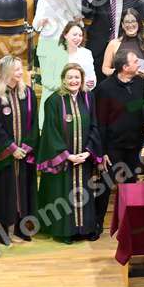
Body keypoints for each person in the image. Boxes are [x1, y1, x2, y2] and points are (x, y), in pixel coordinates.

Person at [37, 64, 103, 244]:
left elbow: (94, 126)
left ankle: (85, 229)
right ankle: (65, 231)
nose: (74, 81)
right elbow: (50, 132)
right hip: (64, 161)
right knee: (64, 194)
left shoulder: (88, 97)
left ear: (82, 79)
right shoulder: (53, 101)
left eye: (77, 77)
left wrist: (88, 152)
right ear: (63, 80)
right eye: (70, 77)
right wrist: (67, 155)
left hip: (84, 158)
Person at [0, 56, 40, 244]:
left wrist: (25, 147)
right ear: (7, 71)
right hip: (6, 156)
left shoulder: (28, 93)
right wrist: (12, 148)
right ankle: (4, 231)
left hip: (25, 154)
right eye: (16, 69)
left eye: (20, 68)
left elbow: (34, 123)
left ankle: (22, 228)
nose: (20, 72)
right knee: (5, 192)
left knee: (25, 191)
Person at [95, 50, 144, 230]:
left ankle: (127, 223)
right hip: (112, 148)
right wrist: (102, 152)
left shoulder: (140, 84)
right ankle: (97, 223)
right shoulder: (105, 88)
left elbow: (141, 110)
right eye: (135, 61)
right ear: (125, 67)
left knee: (130, 186)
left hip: (134, 145)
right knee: (105, 186)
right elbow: (100, 121)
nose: (139, 64)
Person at [82, 0, 139, 82]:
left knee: (120, 81)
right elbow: (87, 15)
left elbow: (136, 24)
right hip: (98, 46)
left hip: (122, 46)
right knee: (97, 82)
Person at [38, 22, 96, 128]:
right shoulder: (53, 53)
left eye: (80, 35)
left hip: (79, 99)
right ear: (65, 35)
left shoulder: (86, 53)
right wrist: (68, 87)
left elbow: (91, 78)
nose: (78, 38)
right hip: (57, 100)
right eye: (74, 34)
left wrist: (89, 84)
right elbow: (46, 80)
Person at [33, 0, 84, 74]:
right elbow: (35, 24)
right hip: (48, 42)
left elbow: (80, 26)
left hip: (68, 43)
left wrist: (78, 20)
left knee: (67, 77)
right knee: (49, 79)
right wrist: (41, 22)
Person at [101, 8, 144, 78]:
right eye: (127, 22)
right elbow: (105, 69)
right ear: (122, 25)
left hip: (140, 82)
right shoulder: (113, 44)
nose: (130, 25)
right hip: (118, 83)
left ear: (138, 23)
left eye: (133, 21)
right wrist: (119, 72)